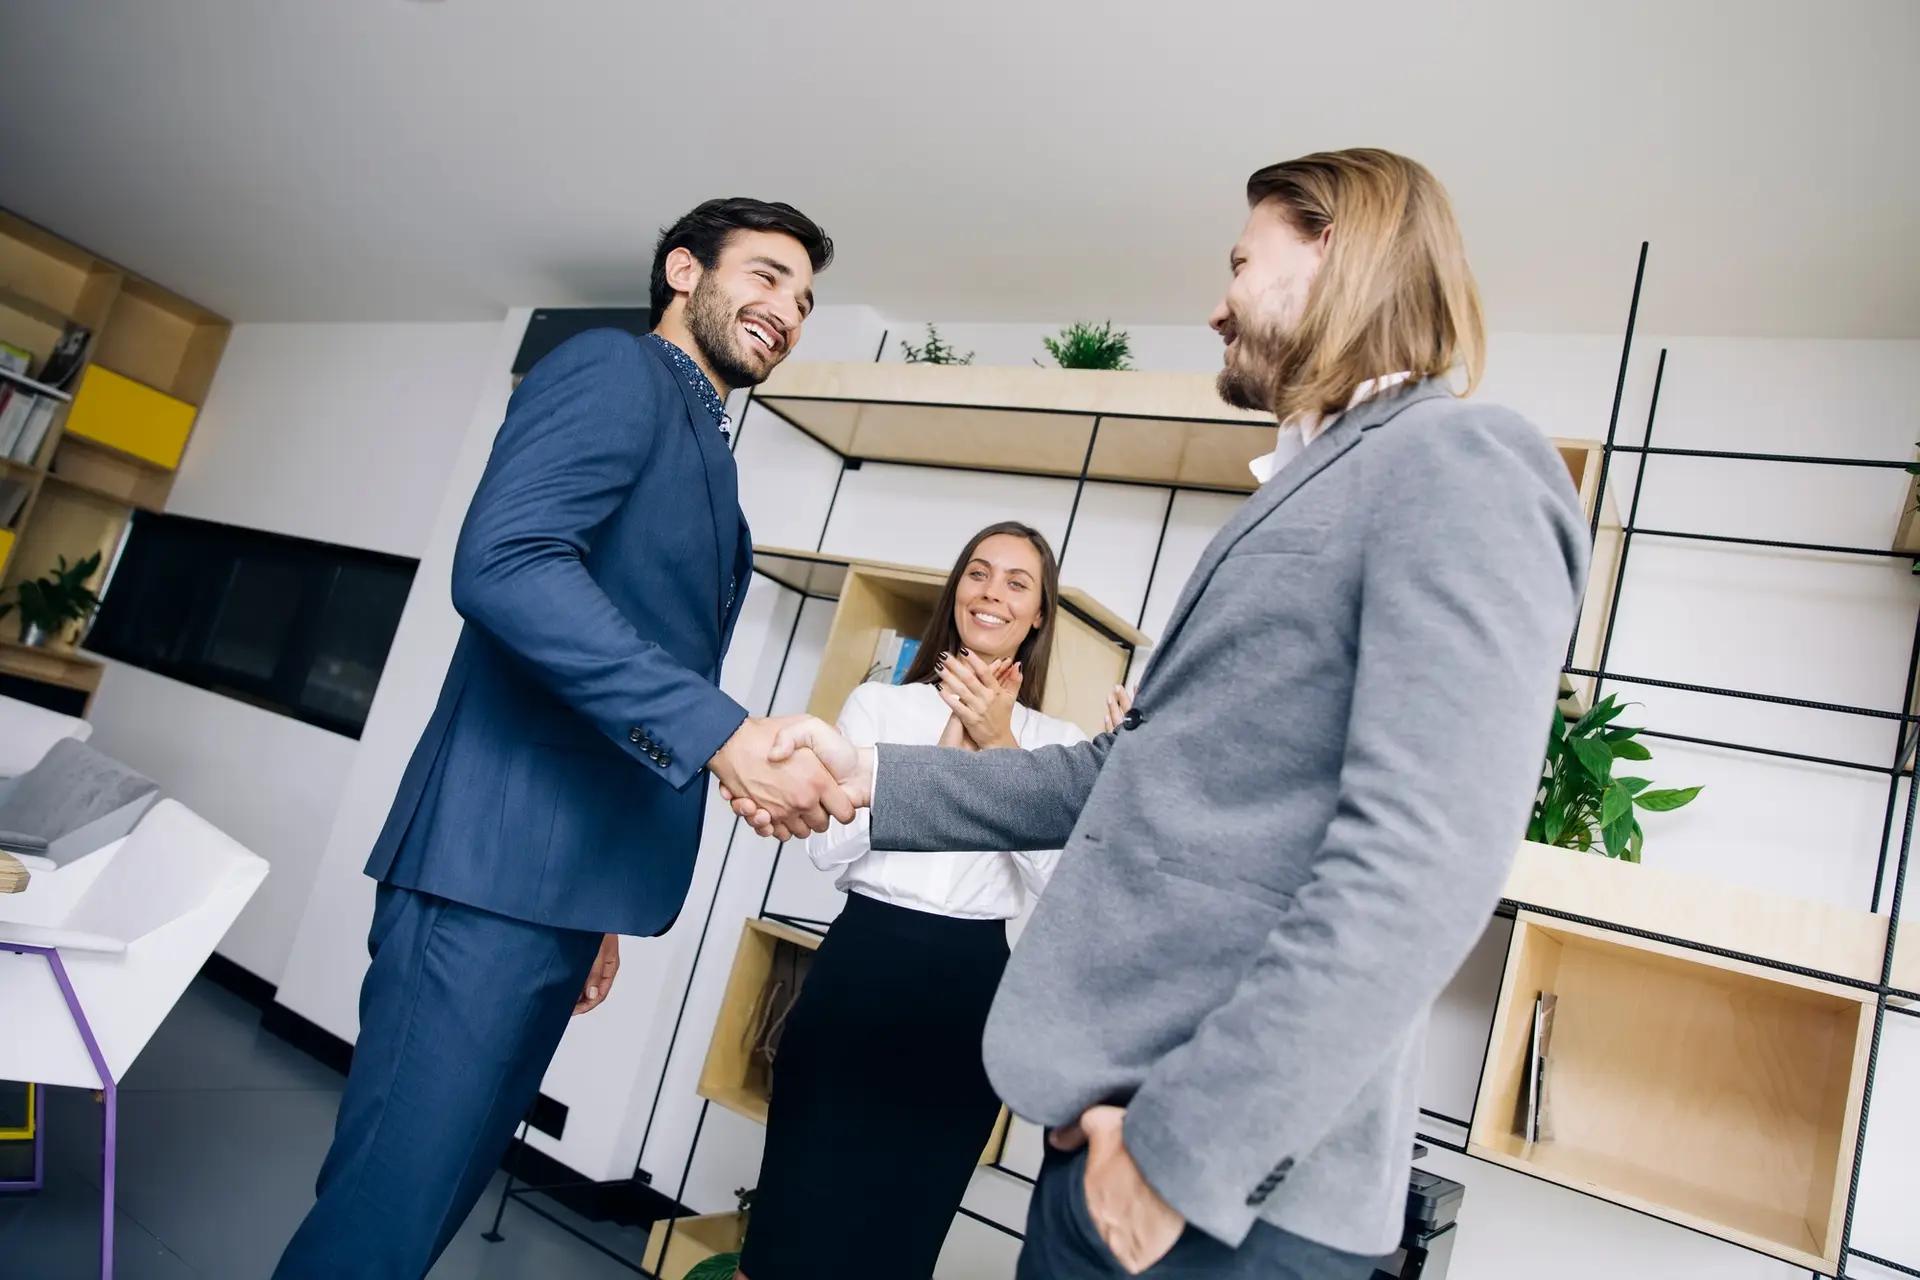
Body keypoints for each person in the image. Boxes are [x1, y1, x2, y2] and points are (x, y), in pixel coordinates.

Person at [734, 149, 1591, 1278]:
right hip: (1109, 1142)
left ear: (1338, 251)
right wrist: (866, 771)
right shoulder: (1307, 486)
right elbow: (1123, 779)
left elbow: (1426, 859)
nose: (1217, 302)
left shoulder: (1459, 462)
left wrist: (1182, 1153)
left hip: (1218, 1195)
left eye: (1242, 263)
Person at [274, 198, 852, 1279]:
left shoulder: (708, 451)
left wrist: (596, 910)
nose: (787, 309)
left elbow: (618, 666)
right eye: (767, 276)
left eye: (806, 299)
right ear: (684, 270)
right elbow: (507, 564)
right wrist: (722, 734)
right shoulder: (614, 371)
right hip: (483, 879)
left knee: (424, 1213)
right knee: (377, 1226)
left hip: (554, 890)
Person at [738, 522, 1131, 1280]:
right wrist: (950, 753)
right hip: (863, 966)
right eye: (979, 574)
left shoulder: (1059, 742)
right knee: (789, 1223)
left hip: (969, 997)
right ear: (956, 592)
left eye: (1018, 583)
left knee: (898, 1238)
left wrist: (1001, 748)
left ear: (1040, 614)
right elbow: (829, 849)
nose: (993, 593)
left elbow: (1069, 887)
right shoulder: (879, 709)